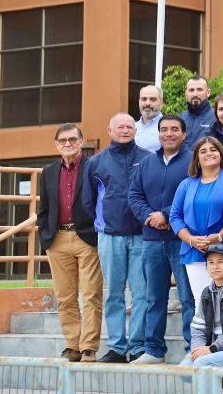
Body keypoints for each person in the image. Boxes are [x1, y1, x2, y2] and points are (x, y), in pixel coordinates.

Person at [82, 113, 151, 363]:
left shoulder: (148, 159)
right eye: (120, 127)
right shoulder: (96, 162)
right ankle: (117, 348)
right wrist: (105, 221)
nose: (125, 130)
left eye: (129, 127)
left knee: (141, 292)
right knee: (113, 294)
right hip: (110, 237)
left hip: (142, 236)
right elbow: (88, 202)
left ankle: (138, 345)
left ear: (135, 130)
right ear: (110, 130)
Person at [128, 115, 195, 364]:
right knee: (154, 297)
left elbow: (193, 194)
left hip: (182, 239)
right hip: (152, 240)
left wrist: (165, 214)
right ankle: (154, 350)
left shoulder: (192, 161)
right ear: (158, 134)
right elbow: (134, 195)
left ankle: (192, 349)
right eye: (164, 129)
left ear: (184, 134)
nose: (169, 133)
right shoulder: (146, 163)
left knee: (189, 298)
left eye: (174, 129)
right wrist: (150, 216)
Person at [37, 123, 102, 363]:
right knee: (64, 296)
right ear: (56, 145)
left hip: (87, 237)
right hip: (57, 240)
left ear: (81, 140)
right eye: (63, 140)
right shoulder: (48, 171)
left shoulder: (92, 166)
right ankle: (72, 345)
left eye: (72, 139)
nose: (68, 144)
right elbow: (43, 209)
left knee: (91, 293)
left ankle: (88, 347)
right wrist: (45, 235)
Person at [169, 136, 223, 311]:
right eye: (203, 151)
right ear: (197, 158)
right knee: (203, 303)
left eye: (213, 149)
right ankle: (205, 339)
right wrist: (191, 239)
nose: (209, 153)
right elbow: (175, 217)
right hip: (195, 251)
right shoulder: (186, 184)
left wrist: (219, 237)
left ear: (221, 154)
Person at [180, 76, 216, 147]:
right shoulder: (180, 118)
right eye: (191, 90)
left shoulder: (217, 117)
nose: (195, 94)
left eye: (199, 90)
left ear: (208, 93)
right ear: (186, 94)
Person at [135, 85, 164, 153]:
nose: (147, 103)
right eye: (144, 99)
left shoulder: (168, 128)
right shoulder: (132, 127)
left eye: (153, 99)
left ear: (161, 103)